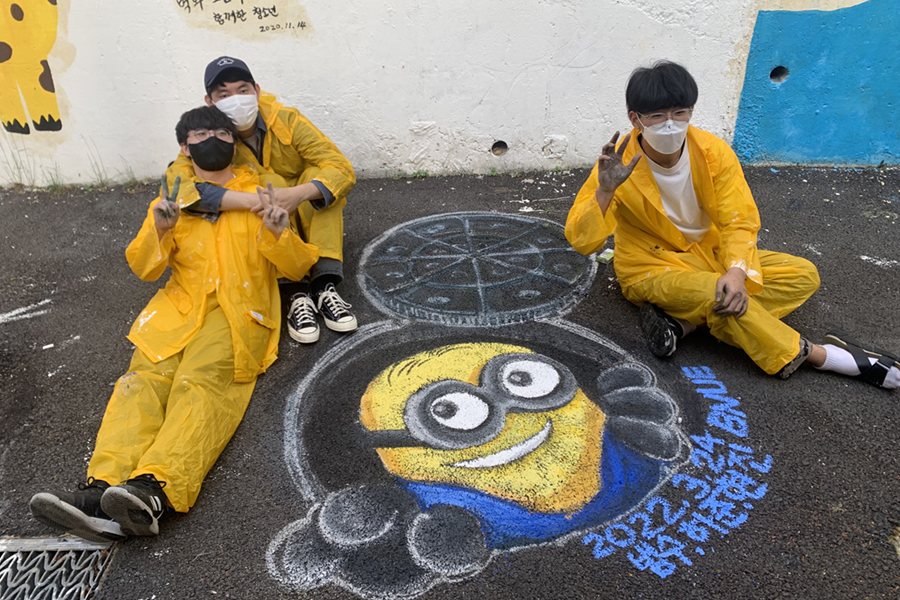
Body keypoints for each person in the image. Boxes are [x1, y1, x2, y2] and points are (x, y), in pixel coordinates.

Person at [29, 106, 320, 542]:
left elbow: (298, 268)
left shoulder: (264, 192)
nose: (214, 138)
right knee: (138, 386)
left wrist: (279, 233)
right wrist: (160, 231)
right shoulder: (174, 196)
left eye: (222, 131)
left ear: (234, 141)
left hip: (238, 314)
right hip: (175, 312)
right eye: (202, 133)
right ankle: (101, 489)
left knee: (200, 384)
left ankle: (153, 489)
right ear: (186, 146)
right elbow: (144, 268)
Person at [565, 61, 899, 389]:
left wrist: (737, 271)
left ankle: (683, 323)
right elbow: (583, 242)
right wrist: (605, 191)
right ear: (635, 119)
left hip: (712, 256)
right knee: (718, 293)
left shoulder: (713, 152)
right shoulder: (618, 163)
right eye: (657, 116)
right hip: (651, 267)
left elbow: (739, 220)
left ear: (691, 111)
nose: (670, 124)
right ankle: (819, 354)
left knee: (802, 275)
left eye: (680, 113)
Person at [165, 56, 357, 346]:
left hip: (304, 207)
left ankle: (324, 284)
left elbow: (340, 167)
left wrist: (299, 193)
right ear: (209, 101)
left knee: (322, 177)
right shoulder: (209, 135)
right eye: (224, 94)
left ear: (256, 88)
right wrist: (255, 199)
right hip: (260, 215)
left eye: (243, 90)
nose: (236, 100)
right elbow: (179, 186)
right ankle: (295, 292)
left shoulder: (287, 119)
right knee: (272, 182)